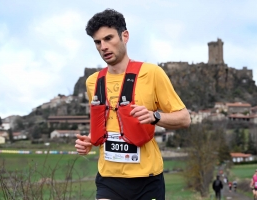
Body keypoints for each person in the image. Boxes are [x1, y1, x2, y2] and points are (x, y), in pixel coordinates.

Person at [74, 9, 191, 200]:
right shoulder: (93, 82)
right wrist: (89, 141)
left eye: (109, 38)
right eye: (98, 42)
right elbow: (108, 124)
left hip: (147, 180)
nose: (103, 46)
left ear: (125, 36)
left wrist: (155, 117)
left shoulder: (152, 73)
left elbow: (185, 118)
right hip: (108, 179)